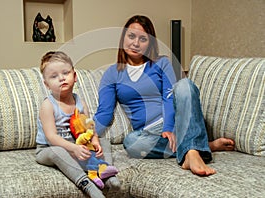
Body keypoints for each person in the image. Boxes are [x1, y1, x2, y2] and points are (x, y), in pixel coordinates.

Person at [94, 15, 235, 176]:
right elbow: (104, 112)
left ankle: (192, 152)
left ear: (150, 44)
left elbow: (169, 97)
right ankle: (200, 146)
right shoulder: (112, 74)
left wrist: (169, 127)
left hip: (177, 121)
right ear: (123, 37)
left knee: (184, 85)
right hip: (149, 133)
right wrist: (89, 136)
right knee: (131, 143)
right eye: (131, 36)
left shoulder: (162, 63)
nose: (135, 43)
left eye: (143, 39)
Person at [35, 51, 119, 198]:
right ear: (47, 84)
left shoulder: (80, 102)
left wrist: (95, 141)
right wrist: (73, 148)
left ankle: (105, 172)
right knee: (57, 152)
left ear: (74, 77)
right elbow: (51, 137)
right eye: (54, 76)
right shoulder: (48, 105)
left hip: (77, 146)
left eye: (65, 73)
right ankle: (87, 184)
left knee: (104, 142)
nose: (61, 78)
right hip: (49, 149)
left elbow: (89, 126)